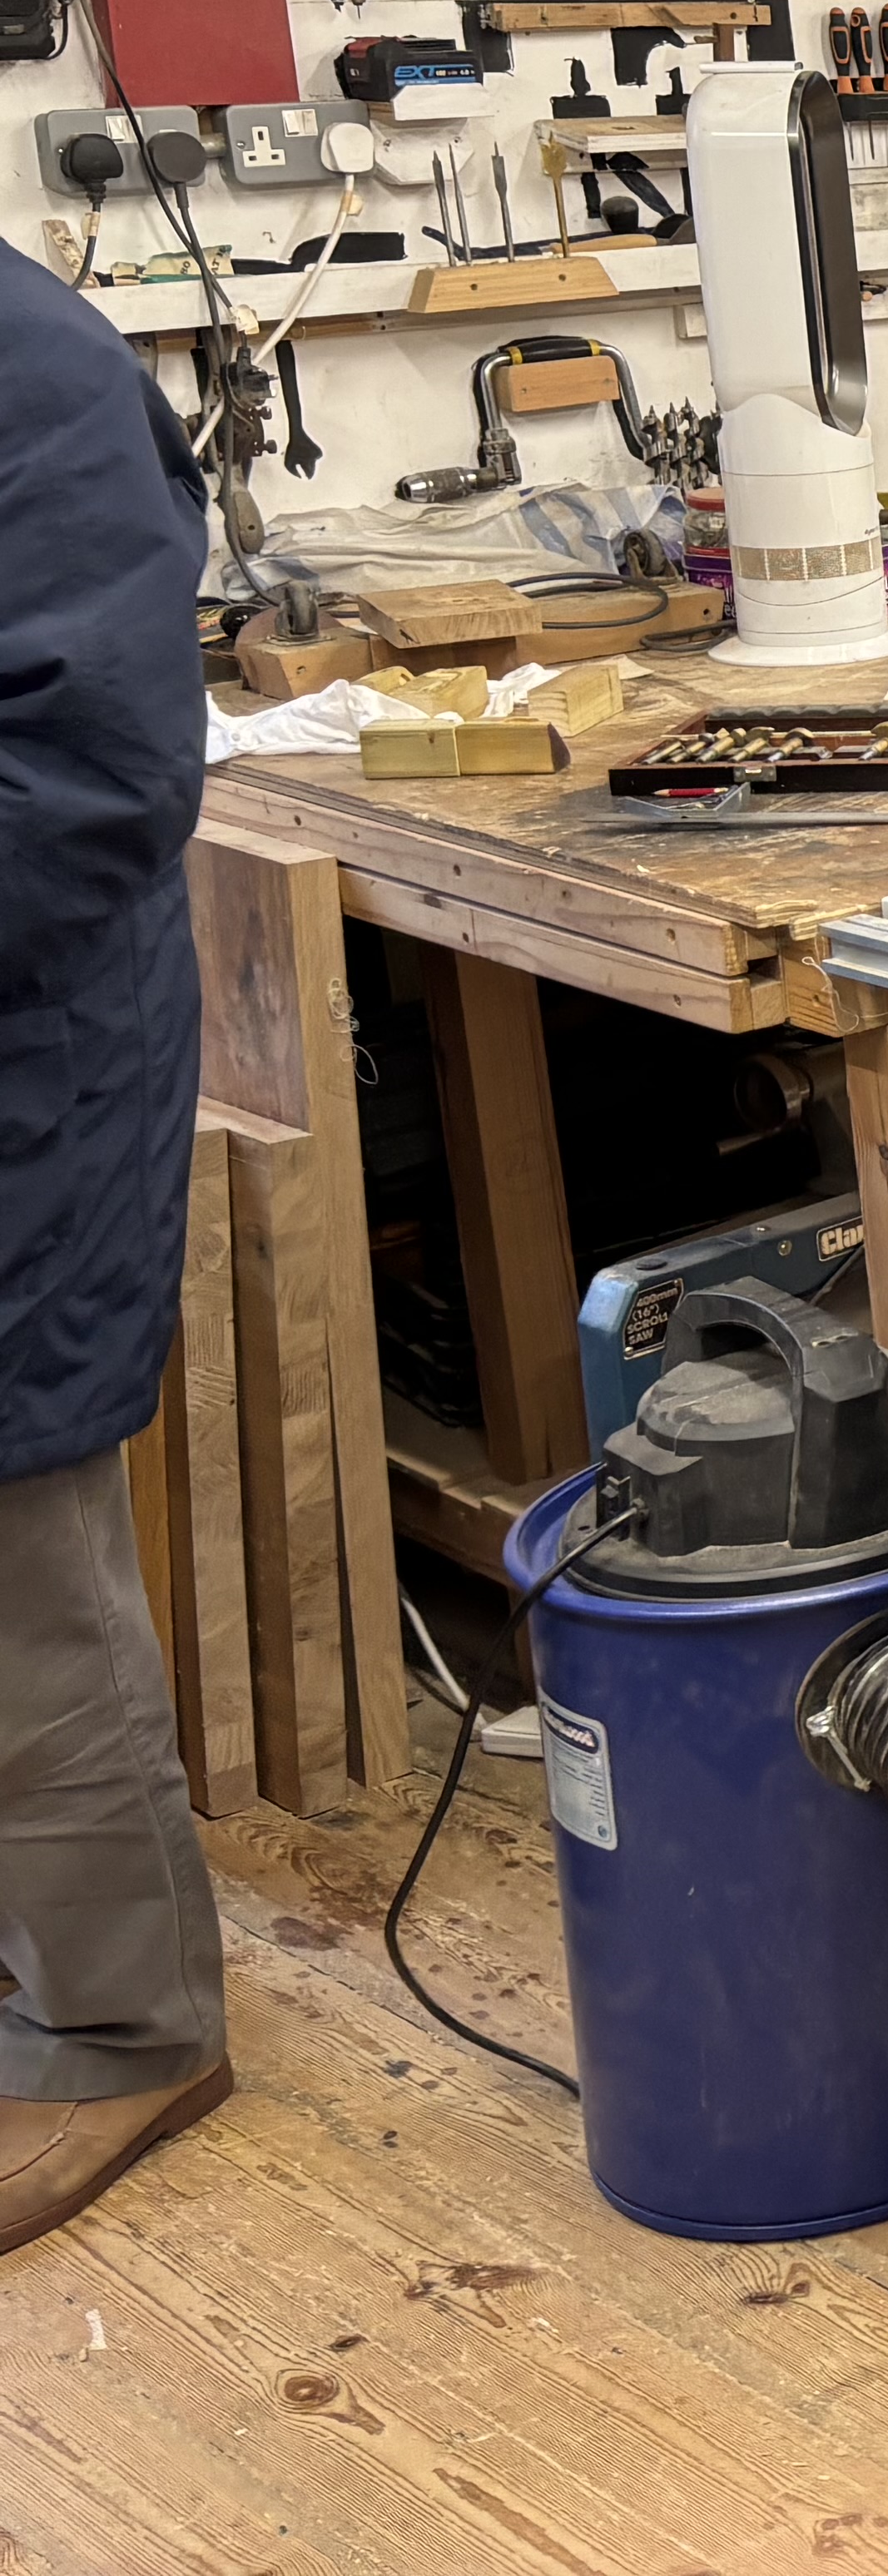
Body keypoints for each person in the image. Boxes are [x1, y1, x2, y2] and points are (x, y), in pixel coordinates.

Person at [0, 241, 224, 2258]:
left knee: (16, 1574)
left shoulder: (26, 367)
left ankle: (121, 2028)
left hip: (22, 1068)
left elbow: (92, 780)